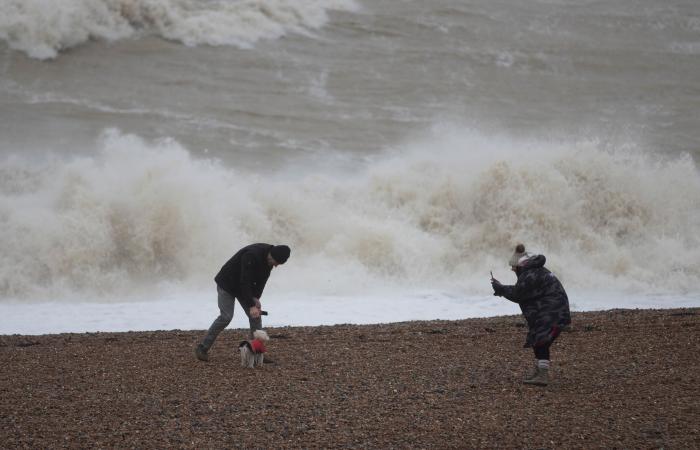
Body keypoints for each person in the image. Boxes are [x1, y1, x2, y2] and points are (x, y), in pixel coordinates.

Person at [491, 244, 571, 386]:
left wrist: (501, 289)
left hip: (552, 313)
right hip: (554, 311)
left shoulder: (530, 274)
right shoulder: (536, 271)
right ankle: (539, 372)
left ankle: (542, 375)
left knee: (541, 340)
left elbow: (518, 294)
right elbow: (521, 291)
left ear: (521, 265)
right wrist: (502, 289)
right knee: (538, 339)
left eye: (514, 267)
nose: (512, 269)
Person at [194, 243, 291, 362]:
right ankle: (202, 348)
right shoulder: (251, 255)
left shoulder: (269, 259)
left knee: (256, 317)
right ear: (271, 255)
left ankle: (256, 352)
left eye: (278, 264)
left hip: (243, 288)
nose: (275, 266)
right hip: (227, 283)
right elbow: (245, 281)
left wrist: (255, 298)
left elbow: (262, 280)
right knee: (226, 317)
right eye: (275, 262)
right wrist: (251, 306)